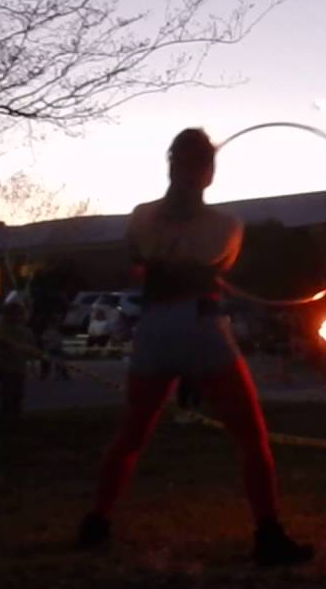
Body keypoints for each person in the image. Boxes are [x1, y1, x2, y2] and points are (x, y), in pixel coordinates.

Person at [78, 128, 313, 566]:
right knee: (251, 436)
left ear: (171, 165)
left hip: (153, 329)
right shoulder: (226, 226)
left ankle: (96, 520)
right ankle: (268, 532)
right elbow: (219, 269)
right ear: (208, 173)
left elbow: (139, 268)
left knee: (132, 432)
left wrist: (164, 264)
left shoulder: (140, 217)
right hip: (201, 327)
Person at [0, 295, 34, 419]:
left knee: (18, 393)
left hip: (19, 368)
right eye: (11, 314)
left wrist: (31, 359)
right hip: (5, 367)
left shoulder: (25, 332)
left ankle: (16, 414)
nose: (15, 318)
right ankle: (6, 414)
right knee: (7, 392)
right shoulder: (0, 330)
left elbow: (30, 348)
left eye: (18, 314)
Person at [38, 311, 70, 381]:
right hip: (49, 350)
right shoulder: (47, 332)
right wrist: (47, 347)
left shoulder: (58, 333)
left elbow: (60, 342)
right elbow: (44, 341)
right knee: (46, 361)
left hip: (56, 350)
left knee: (60, 361)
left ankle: (61, 373)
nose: (55, 325)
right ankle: (44, 373)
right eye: (53, 324)